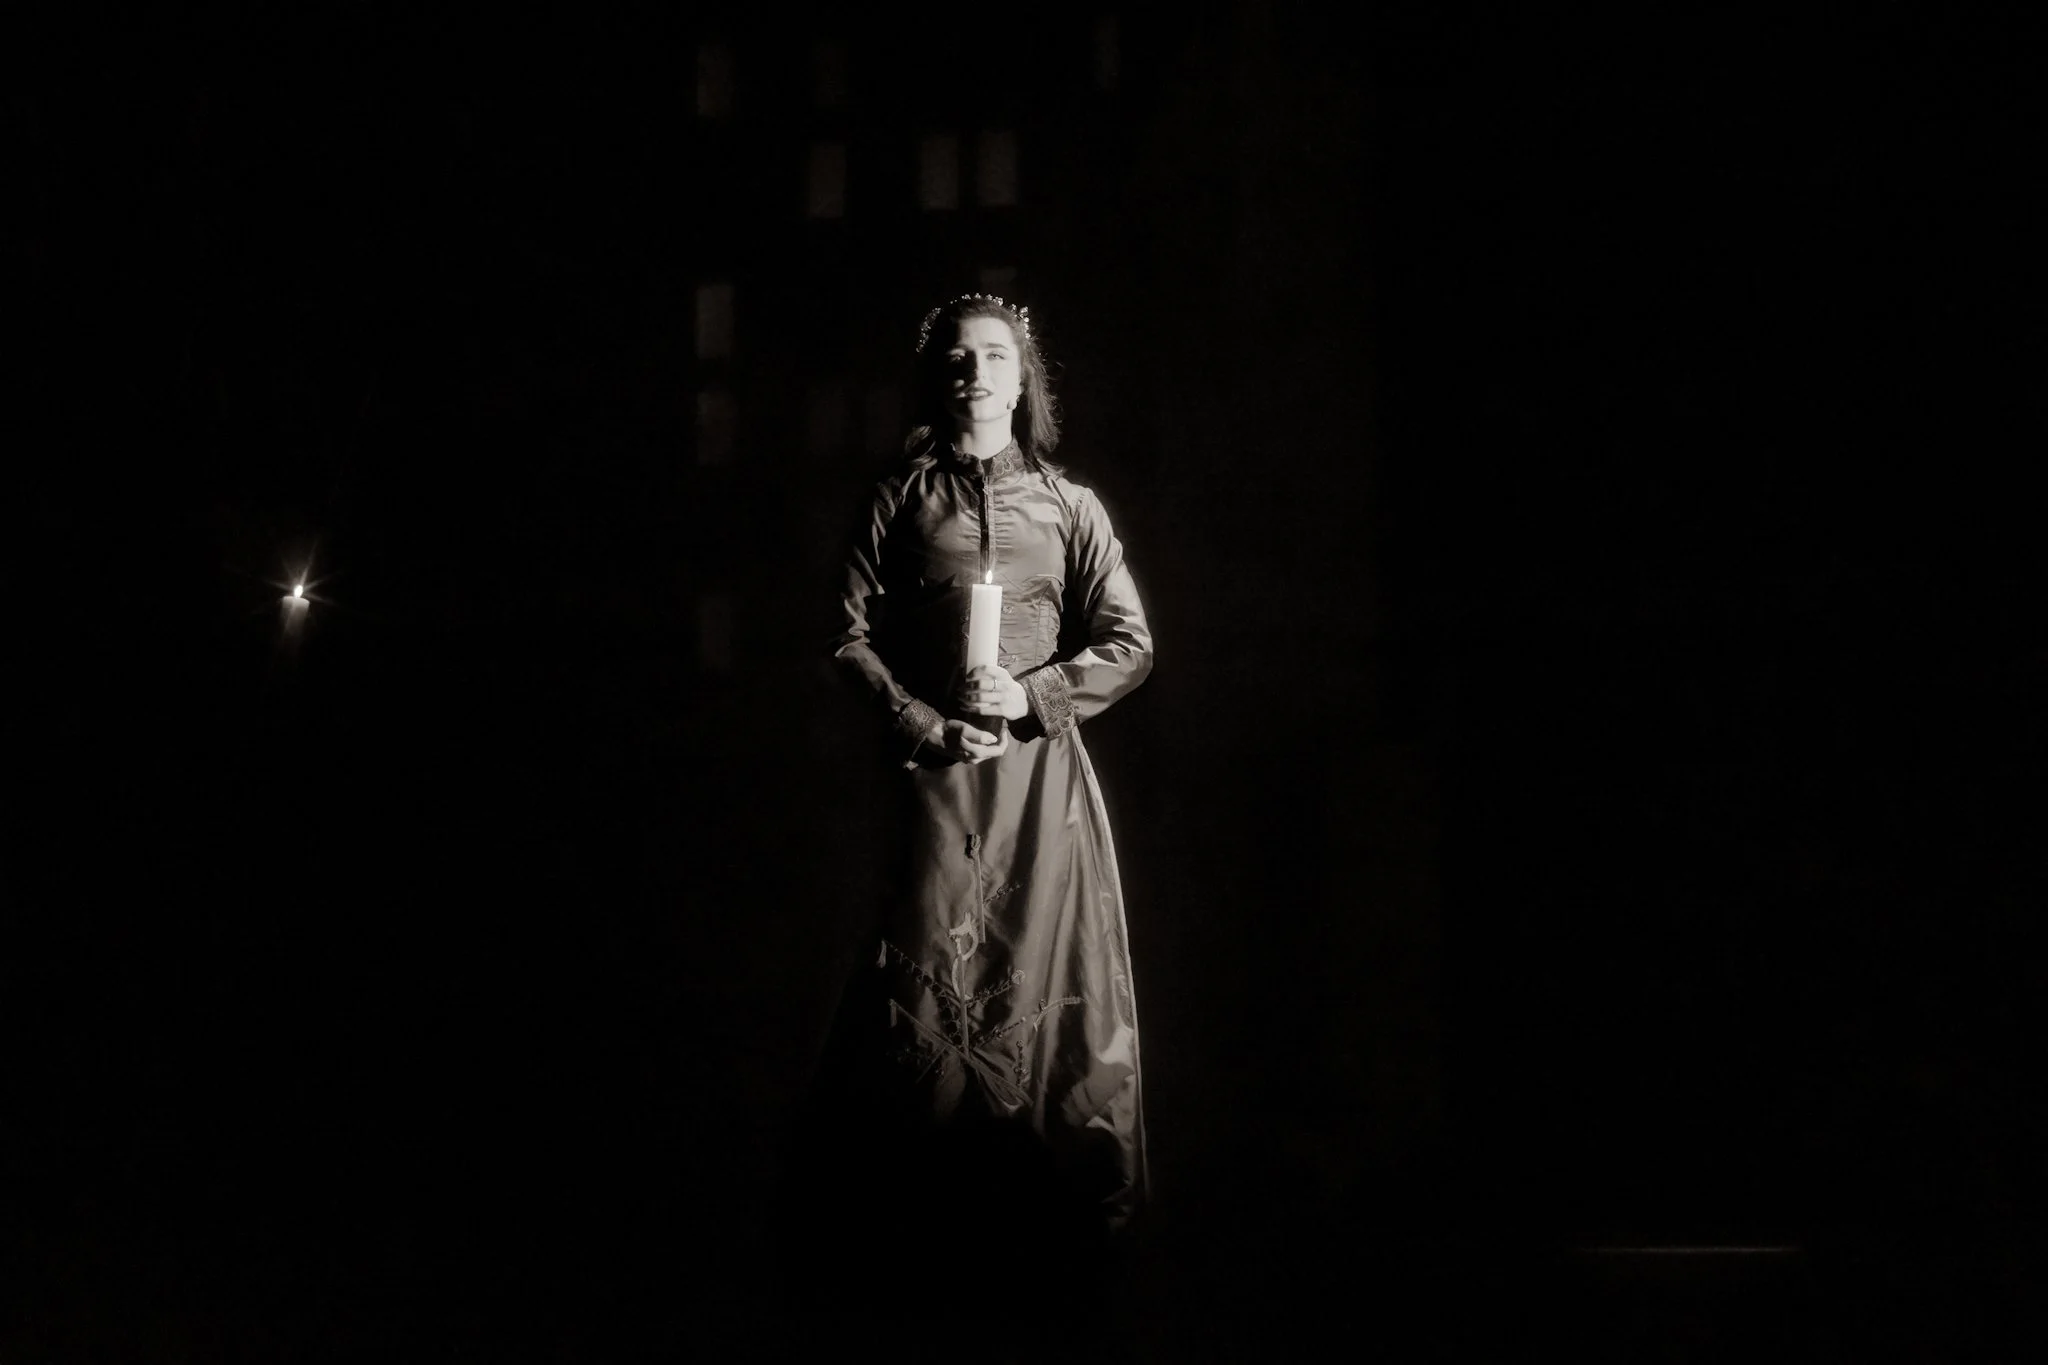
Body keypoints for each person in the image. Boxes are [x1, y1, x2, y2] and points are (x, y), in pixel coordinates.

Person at [791, 293, 1154, 1307]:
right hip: (934, 786)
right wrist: (920, 719)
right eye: (956, 357)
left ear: (1021, 377)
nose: (975, 373)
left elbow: (1129, 642)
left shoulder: (1070, 506)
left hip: (1040, 788)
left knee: (1042, 979)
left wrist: (1034, 695)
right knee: (924, 987)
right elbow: (842, 636)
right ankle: (915, 1238)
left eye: (994, 356)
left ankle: (1052, 1238)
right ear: (936, 376)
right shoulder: (897, 500)